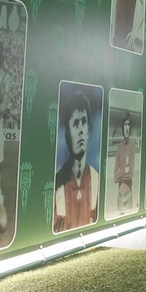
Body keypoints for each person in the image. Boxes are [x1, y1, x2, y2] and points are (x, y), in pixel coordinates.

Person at [54, 91, 98, 232]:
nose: (80, 130)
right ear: (67, 135)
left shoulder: (96, 179)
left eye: (84, 123)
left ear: (88, 132)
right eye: (75, 124)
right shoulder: (57, 184)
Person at [112, 114, 138, 213]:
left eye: (128, 124)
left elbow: (130, 174)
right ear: (122, 128)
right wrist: (124, 171)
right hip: (120, 194)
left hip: (128, 193)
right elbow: (115, 176)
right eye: (125, 124)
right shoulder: (119, 147)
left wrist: (120, 172)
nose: (127, 127)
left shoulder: (132, 146)